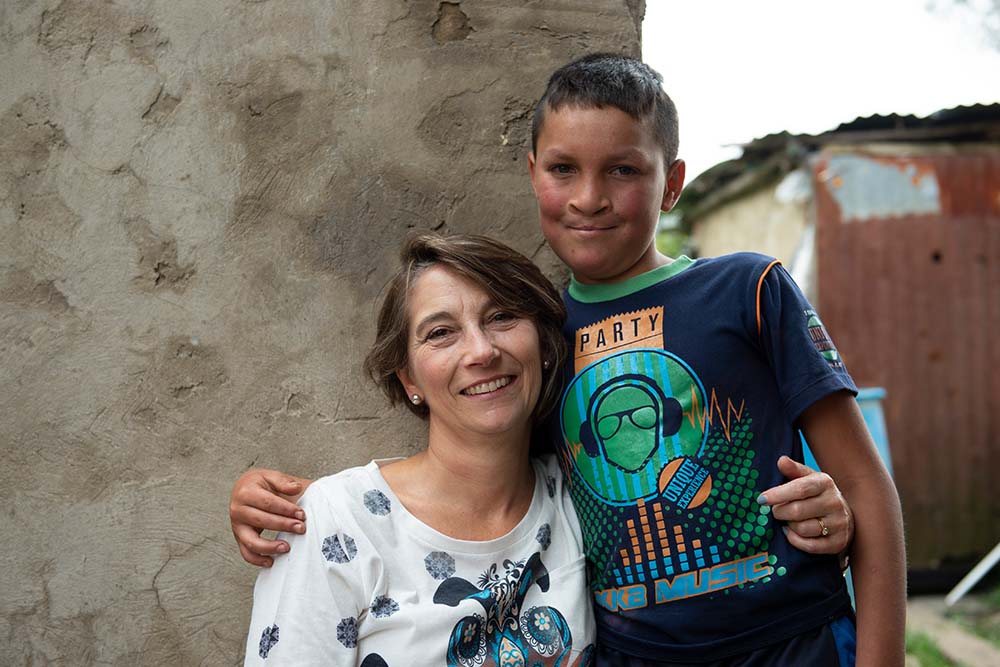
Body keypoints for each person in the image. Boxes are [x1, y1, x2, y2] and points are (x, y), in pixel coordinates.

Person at [233, 53, 904, 666]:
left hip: (798, 643)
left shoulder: (748, 290)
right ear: (533, 173)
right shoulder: (543, 332)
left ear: (671, 184)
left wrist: (841, 518)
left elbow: (866, 486)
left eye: (622, 169)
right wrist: (269, 502)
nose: (589, 197)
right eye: (563, 169)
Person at [243, 234, 596, 665]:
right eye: (441, 333)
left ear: (542, 343)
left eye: (502, 316)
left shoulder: (578, 493)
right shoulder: (335, 524)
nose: (482, 351)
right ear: (409, 380)